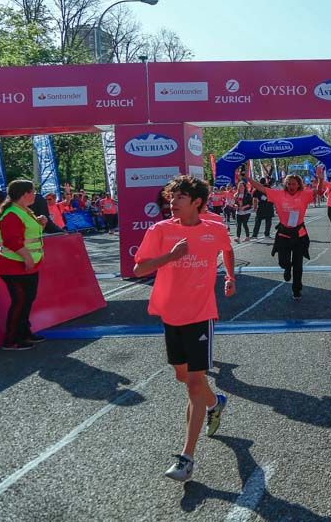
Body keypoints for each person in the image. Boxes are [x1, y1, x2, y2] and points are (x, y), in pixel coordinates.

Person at [133, 175, 235, 483]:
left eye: (179, 197)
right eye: (171, 196)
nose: (172, 201)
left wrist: (230, 276)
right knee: (182, 376)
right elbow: (139, 269)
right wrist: (170, 257)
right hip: (170, 316)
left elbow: (227, 250)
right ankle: (216, 403)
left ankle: (187, 458)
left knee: (193, 383)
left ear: (197, 203)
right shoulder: (160, 230)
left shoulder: (214, 229)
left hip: (200, 315)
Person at [247, 167, 323, 301]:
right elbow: (261, 188)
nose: (291, 186)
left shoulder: (304, 194)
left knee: (298, 265)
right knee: (283, 262)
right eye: (288, 183)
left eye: (294, 184)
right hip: (283, 233)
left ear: (298, 184)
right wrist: (247, 178)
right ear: (285, 184)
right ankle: (287, 268)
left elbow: (319, 192)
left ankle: (297, 290)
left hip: (299, 234)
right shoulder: (278, 194)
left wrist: (321, 179)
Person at [0, 180, 48, 350]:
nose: (35, 194)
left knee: (26, 301)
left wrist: (41, 223)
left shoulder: (23, 211)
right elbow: (12, 240)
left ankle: (24, 333)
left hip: (25, 265)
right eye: (33, 191)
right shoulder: (12, 213)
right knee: (20, 302)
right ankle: (11, 340)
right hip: (13, 265)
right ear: (24, 194)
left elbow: (27, 234)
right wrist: (27, 258)